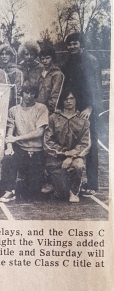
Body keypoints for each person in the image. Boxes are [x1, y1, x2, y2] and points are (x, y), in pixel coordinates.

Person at [60, 32, 103, 196]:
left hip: (87, 110)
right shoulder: (67, 63)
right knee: (72, 145)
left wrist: (90, 108)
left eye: (74, 43)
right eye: (69, 44)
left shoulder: (91, 61)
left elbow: (96, 87)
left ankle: (92, 184)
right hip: (74, 109)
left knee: (90, 146)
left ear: (81, 44)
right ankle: (73, 183)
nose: (72, 47)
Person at [0, 81, 49, 202]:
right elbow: (9, 133)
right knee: (8, 158)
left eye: (32, 93)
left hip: (37, 152)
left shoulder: (41, 108)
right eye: (26, 92)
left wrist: (16, 138)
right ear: (22, 93)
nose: (28, 96)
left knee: (32, 193)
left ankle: (24, 183)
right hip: (20, 151)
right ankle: (9, 191)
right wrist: (9, 146)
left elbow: (39, 132)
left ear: (35, 95)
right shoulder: (13, 110)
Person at [44, 89, 91, 203]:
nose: (69, 101)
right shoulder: (53, 118)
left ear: (75, 100)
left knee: (78, 165)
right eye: (66, 99)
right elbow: (47, 141)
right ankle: (59, 186)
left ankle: (74, 192)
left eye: (71, 98)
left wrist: (72, 155)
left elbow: (86, 143)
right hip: (56, 159)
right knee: (61, 195)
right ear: (62, 101)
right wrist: (64, 153)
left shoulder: (83, 120)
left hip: (75, 157)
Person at [36, 46, 64, 113]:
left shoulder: (57, 74)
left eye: (47, 58)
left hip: (48, 110)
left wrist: (49, 110)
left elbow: (56, 95)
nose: (44, 61)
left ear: (52, 58)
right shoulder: (40, 72)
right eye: (42, 59)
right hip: (37, 108)